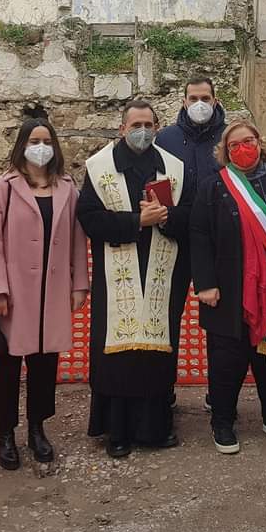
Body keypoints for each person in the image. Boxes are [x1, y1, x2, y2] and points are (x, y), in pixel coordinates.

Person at [78, 100, 193, 458]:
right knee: (118, 354)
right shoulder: (99, 167)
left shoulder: (174, 168)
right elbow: (89, 218)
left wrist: (166, 217)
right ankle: (117, 431)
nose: (142, 131)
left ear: (157, 128)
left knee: (155, 353)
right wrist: (136, 222)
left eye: (148, 125)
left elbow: (190, 216)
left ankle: (155, 427)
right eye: (135, 125)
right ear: (122, 129)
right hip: (116, 274)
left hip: (162, 273)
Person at [190, 119, 266, 454]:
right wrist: (205, 283)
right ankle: (222, 421)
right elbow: (199, 236)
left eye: (248, 141)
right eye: (234, 145)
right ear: (225, 151)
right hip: (227, 287)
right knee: (225, 359)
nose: (243, 148)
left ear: (260, 142)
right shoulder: (213, 186)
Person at [0, 117, 89, 471]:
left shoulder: (67, 189)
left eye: (47, 141)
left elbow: (77, 240)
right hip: (13, 295)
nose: (41, 147)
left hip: (52, 293)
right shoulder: (2, 188)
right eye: (34, 141)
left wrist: (79, 284)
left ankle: (38, 429)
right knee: (7, 367)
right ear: (22, 145)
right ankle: (5, 432)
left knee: (44, 365)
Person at [155, 76, 227, 189]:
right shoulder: (165, 138)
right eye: (193, 99)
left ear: (215, 102)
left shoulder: (228, 136)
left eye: (205, 98)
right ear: (184, 103)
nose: (199, 104)